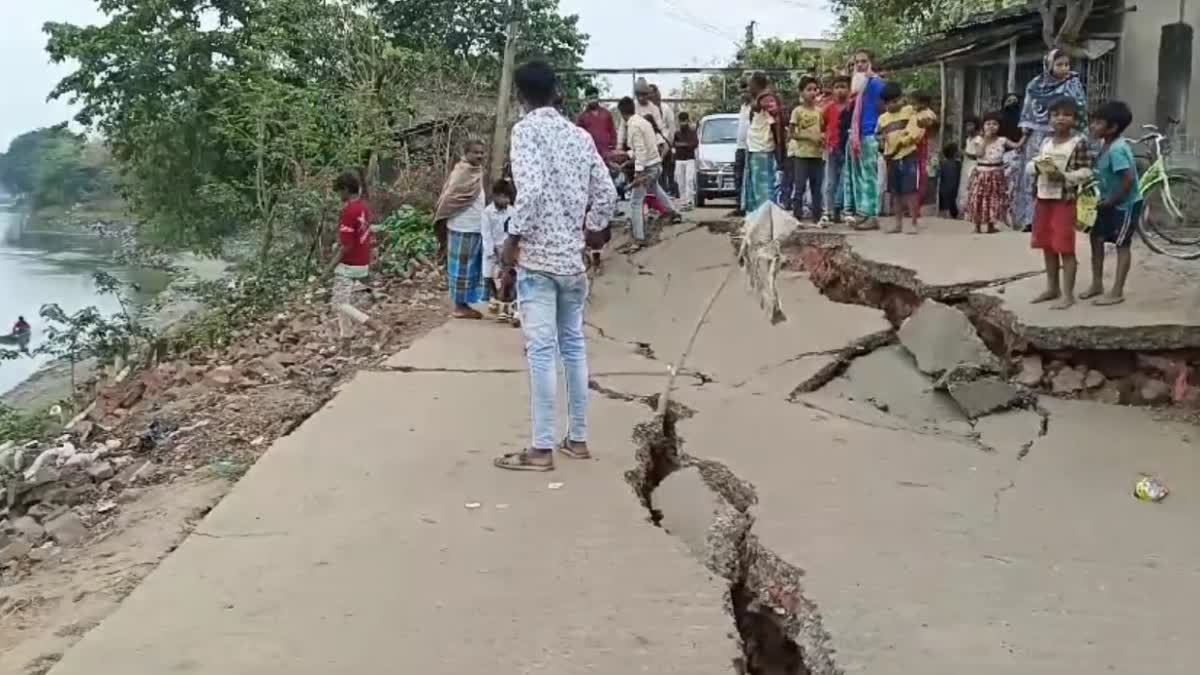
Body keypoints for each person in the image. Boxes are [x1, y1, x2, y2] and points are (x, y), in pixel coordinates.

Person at [495, 61, 617, 472]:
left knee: (542, 352)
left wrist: (511, 238)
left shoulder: (525, 131)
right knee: (574, 346)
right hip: (572, 262)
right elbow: (606, 191)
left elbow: (529, 192)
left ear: (519, 96)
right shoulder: (579, 136)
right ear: (557, 90)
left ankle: (541, 449)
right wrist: (595, 230)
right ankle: (577, 439)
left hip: (539, 263)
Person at [1026, 96, 1093, 310]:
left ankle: (1068, 295)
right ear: (1049, 118)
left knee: (1065, 247)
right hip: (1043, 197)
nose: (1060, 119)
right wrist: (1035, 167)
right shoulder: (1045, 141)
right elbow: (1033, 162)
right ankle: (1052, 287)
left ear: (1074, 119)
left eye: (1066, 114)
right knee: (1047, 245)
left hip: (1064, 199)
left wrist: (1065, 177)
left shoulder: (1078, 142)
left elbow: (1087, 171)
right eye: (1055, 115)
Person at [1015, 49, 1088, 231]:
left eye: (1067, 64)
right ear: (1049, 66)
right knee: (1034, 175)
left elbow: (1081, 109)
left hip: (1065, 137)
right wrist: (1023, 137)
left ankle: (1061, 219)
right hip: (1038, 137)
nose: (1064, 68)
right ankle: (1030, 219)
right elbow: (1028, 111)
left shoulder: (1073, 84)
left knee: (1062, 175)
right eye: (1059, 64)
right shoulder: (1035, 85)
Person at [1082, 100, 1142, 307]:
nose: (1093, 126)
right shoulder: (1104, 145)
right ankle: (1097, 283)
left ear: (1113, 127)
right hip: (1106, 201)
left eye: (1098, 122)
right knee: (1096, 238)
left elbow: (1128, 180)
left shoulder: (1117, 150)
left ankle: (1117, 290)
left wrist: (1112, 201)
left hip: (1124, 205)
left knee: (1122, 244)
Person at [434, 139, 489, 319]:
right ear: (466, 153)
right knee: (461, 269)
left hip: (475, 226)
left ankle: (465, 303)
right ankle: (460, 306)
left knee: (471, 267)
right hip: (461, 226)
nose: (480, 155)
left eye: (482, 152)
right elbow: (450, 197)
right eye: (476, 152)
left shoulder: (477, 172)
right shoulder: (462, 171)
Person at [619, 98, 679, 247]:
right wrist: (629, 159)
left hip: (647, 168)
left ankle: (638, 238)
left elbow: (641, 151)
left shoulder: (633, 126)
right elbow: (643, 149)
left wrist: (638, 173)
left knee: (635, 202)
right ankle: (673, 211)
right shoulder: (643, 122)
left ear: (622, 113)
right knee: (655, 189)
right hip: (656, 165)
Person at [328, 171, 375, 341]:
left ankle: (375, 326)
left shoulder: (349, 212)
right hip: (363, 260)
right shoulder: (364, 207)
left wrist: (329, 268)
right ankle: (346, 338)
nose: (339, 196)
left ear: (346, 190)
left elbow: (346, 246)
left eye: (340, 192)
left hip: (349, 263)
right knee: (342, 301)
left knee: (338, 303)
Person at [846, 49, 887, 230]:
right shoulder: (858, 86)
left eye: (863, 61)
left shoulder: (876, 83)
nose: (859, 65)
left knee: (869, 176)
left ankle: (872, 215)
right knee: (858, 177)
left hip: (869, 134)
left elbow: (885, 107)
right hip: (857, 134)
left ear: (870, 63)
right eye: (856, 62)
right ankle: (863, 212)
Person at [876, 81, 923, 234]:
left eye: (895, 101)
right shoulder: (882, 118)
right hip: (892, 158)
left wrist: (905, 141)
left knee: (910, 191)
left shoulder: (909, 111)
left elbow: (916, 131)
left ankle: (913, 223)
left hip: (908, 155)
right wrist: (883, 148)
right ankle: (898, 224)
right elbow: (880, 136)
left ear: (902, 98)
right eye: (888, 102)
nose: (892, 105)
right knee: (895, 192)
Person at [965, 111, 1021, 234]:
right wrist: (986, 139)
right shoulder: (979, 139)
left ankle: (991, 225)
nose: (991, 126)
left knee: (993, 200)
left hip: (996, 174)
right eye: (988, 124)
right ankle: (977, 226)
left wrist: (1026, 135)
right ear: (983, 126)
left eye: (994, 124)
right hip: (982, 173)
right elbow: (979, 154)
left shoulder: (1002, 140)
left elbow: (1017, 146)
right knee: (979, 199)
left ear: (999, 126)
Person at [742, 72, 786, 214]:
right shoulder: (761, 99)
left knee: (763, 189)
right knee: (757, 188)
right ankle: (760, 220)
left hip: (763, 149)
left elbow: (776, 117)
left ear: (756, 84)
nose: (748, 88)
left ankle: (766, 220)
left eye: (750, 85)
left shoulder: (767, 98)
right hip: (756, 148)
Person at [787, 76, 825, 224]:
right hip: (801, 155)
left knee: (817, 188)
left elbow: (823, 130)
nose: (812, 92)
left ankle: (817, 217)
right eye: (808, 89)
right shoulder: (797, 111)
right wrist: (809, 138)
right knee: (800, 186)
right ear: (801, 92)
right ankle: (797, 216)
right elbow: (791, 134)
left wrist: (822, 138)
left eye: (815, 89)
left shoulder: (820, 112)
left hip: (817, 155)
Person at [482, 179, 519, 323]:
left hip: (508, 249)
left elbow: (515, 231)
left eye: (507, 197)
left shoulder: (512, 211)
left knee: (509, 278)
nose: (505, 200)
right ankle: (498, 304)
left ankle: (510, 307)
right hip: (493, 250)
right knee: (492, 277)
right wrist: (492, 252)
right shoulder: (487, 212)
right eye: (502, 197)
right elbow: (486, 234)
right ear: (495, 196)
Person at [822, 75, 851, 225]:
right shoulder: (828, 108)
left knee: (844, 182)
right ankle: (828, 210)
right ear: (833, 90)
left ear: (849, 89)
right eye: (837, 87)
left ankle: (843, 210)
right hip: (832, 148)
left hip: (847, 148)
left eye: (843, 87)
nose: (840, 90)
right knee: (830, 182)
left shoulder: (852, 107)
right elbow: (823, 125)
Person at [911, 92, 940, 203]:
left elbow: (925, 129)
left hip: (925, 147)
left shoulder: (928, 115)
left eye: (916, 103)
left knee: (923, 174)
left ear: (924, 103)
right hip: (918, 147)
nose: (914, 105)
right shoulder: (917, 113)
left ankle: (919, 201)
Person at [577, 86, 617, 160]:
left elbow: (612, 131)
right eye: (590, 98)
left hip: (607, 152)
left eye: (595, 97)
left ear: (598, 97)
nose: (593, 100)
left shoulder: (606, 113)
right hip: (590, 153)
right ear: (586, 99)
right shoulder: (582, 117)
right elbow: (579, 136)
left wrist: (613, 147)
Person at [673, 111, 699, 210]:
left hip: (689, 159)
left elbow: (694, 144)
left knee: (689, 180)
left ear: (688, 120)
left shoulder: (692, 132)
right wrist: (685, 145)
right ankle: (683, 201)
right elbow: (674, 144)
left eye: (684, 121)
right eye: (681, 121)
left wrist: (683, 145)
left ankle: (690, 201)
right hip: (679, 159)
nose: (682, 123)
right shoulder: (677, 133)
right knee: (680, 181)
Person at [733, 83, 752, 216]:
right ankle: (739, 204)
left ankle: (747, 205)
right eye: (741, 92)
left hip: (749, 147)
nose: (742, 95)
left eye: (745, 92)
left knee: (747, 177)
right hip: (740, 147)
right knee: (738, 177)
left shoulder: (754, 107)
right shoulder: (743, 107)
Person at [957, 115, 981, 214]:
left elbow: (978, 155)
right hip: (966, 165)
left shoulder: (978, 139)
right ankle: (964, 209)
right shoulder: (968, 139)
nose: (968, 128)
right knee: (964, 186)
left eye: (971, 125)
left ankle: (972, 209)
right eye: (967, 126)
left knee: (972, 186)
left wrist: (964, 153)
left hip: (973, 165)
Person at [938, 143, 962, 220]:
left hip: (944, 188)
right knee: (952, 199)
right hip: (953, 187)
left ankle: (947, 213)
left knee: (948, 199)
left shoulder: (943, 163)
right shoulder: (957, 164)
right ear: (955, 153)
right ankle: (951, 214)